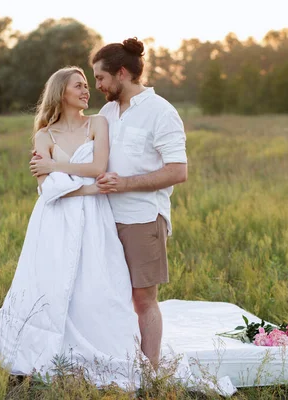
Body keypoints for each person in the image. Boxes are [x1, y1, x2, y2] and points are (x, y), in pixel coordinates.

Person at [30, 38, 188, 369]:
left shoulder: (161, 112)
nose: (97, 86)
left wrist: (126, 183)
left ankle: (151, 371)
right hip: (99, 218)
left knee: (143, 299)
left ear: (121, 73)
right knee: (107, 296)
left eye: (100, 78)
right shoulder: (107, 112)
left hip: (140, 218)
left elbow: (178, 170)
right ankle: (118, 360)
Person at [0, 66, 142, 388]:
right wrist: (86, 188)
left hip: (93, 219)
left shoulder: (97, 123)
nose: (87, 91)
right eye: (79, 85)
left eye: (88, 85)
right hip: (54, 220)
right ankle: (35, 356)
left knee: (96, 282)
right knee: (46, 284)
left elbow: (98, 166)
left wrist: (56, 166)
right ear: (61, 91)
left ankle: (95, 354)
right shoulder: (44, 135)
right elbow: (46, 188)